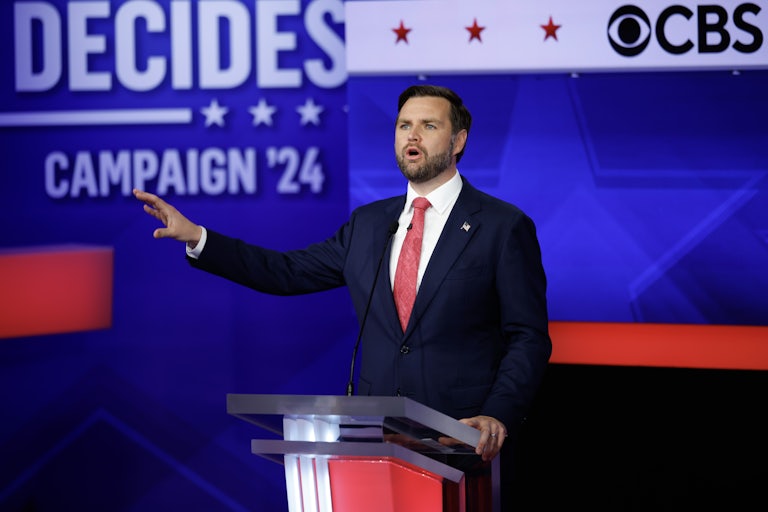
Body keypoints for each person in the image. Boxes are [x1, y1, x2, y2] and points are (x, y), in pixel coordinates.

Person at [134, 84, 551, 508]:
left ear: (458, 140)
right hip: (374, 441)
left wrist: (497, 413)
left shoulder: (501, 226)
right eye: (404, 125)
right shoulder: (369, 224)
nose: (412, 136)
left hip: (460, 442)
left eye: (428, 125)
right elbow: (286, 272)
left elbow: (528, 336)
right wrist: (199, 238)